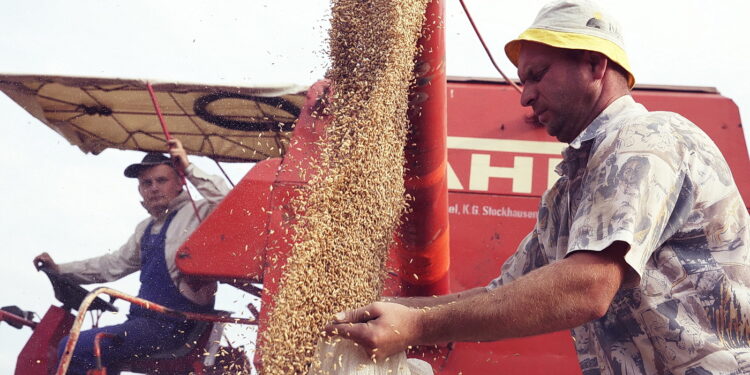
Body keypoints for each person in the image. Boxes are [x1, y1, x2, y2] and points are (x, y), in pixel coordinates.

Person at [327, 1, 750, 374]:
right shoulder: (567, 193)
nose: (524, 97)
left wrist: (417, 325)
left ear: (594, 64)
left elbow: (588, 286)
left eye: (537, 75)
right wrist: (375, 315)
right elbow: (500, 297)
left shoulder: (647, 138)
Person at [33, 139, 230, 374]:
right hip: (143, 324)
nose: (154, 188)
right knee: (97, 355)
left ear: (180, 183)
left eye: (161, 180)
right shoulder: (145, 228)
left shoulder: (199, 214)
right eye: (147, 183)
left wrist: (189, 166)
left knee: (71, 346)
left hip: (174, 328)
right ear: (140, 189)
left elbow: (232, 202)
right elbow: (112, 265)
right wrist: (60, 269)